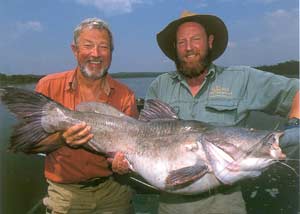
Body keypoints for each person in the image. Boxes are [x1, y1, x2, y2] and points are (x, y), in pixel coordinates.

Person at [146, 11, 299, 214]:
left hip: (224, 202)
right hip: (171, 203)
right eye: (182, 42)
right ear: (175, 48)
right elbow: (144, 134)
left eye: (195, 39)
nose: (189, 47)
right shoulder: (160, 85)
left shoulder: (241, 79)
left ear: (210, 42)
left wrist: (294, 126)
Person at [35, 18, 138, 213]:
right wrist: (62, 138)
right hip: (65, 194)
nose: (96, 54)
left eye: (103, 47)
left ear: (111, 53)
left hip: (114, 191)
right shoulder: (47, 86)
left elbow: (129, 149)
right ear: (75, 50)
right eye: (88, 46)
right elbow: (29, 145)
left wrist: (123, 163)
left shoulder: (126, 95)